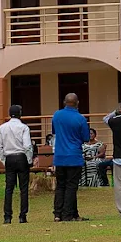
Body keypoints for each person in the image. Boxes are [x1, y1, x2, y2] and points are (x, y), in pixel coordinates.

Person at [52, 93, 91, 222]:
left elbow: (54, 131)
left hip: (60, 156)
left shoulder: (57, 115)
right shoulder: (80, 119)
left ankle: (58, 213)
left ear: (64, 102)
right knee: (71, 186)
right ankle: (67, 214)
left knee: (60, 186)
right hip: (74, 156)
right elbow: (86, 138)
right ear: (77, 103)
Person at [0, 104, 34, 224]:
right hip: (21, 157)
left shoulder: (2, 127)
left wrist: (4, 160)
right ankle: (23, 216)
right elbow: (27, 146)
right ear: (20, 114)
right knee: (24, 188)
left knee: (9, 188)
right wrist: (29, 160)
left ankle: (7, 216)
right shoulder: (24, 127)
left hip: (9, 158)